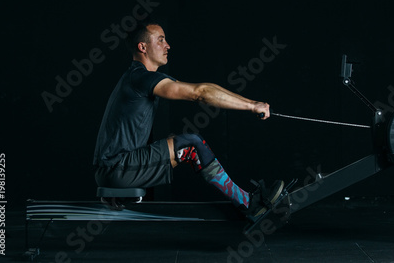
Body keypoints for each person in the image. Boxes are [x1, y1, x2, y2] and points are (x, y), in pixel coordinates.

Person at [93, 22, 284, 218]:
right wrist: (252, 106)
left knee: (183, 145)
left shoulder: (138, 77)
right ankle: (248, 204)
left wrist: (253, 102)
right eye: (160, 40)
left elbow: (205, 88)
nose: (168, 45)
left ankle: (246, 201)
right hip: (116, 169)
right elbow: (199, 93)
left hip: (113, 168)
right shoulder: (141, 78)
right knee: (192, 144)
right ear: (142, 47)